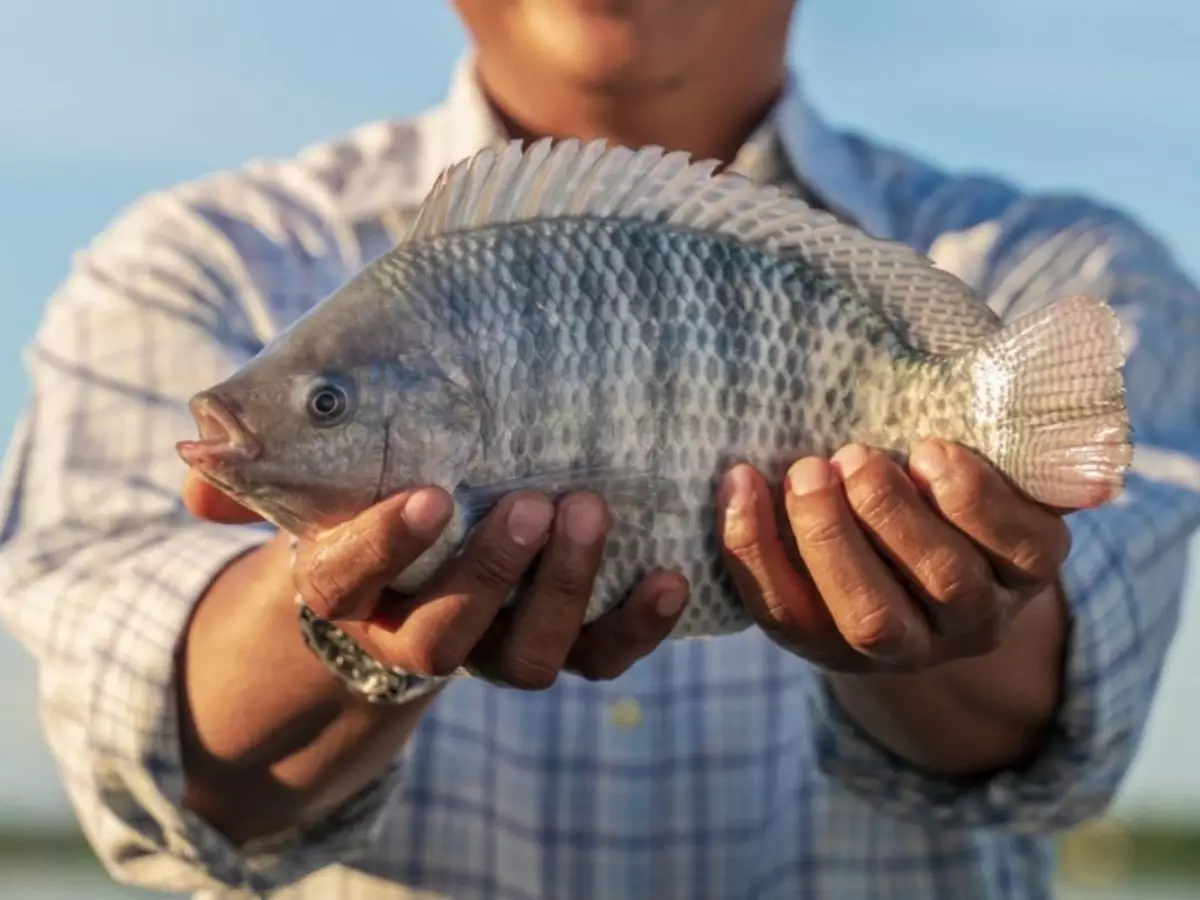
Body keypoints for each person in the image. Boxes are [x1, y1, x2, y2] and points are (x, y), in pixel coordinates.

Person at [1, 1, 1197, 897]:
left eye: (322, 406)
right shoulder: (190, 262)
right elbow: (148, 761)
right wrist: (331, 635)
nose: (303, 418)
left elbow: (1068, 729)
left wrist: (952, 610)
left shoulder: (1063, 268)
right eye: (330, 406)